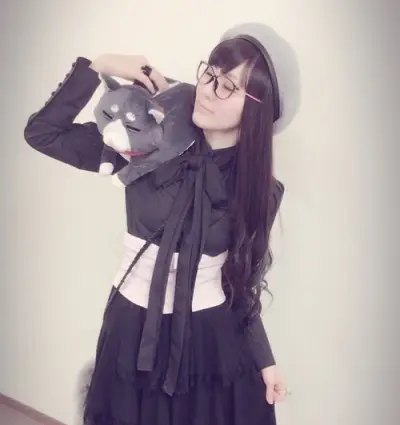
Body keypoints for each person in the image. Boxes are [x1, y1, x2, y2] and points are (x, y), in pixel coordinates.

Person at [23, 22, 300, 425]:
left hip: (211, 342)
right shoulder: (145, 140)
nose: (208, 89)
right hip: (132, 330)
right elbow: (43, 133)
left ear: (257, 109)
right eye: (209, 74)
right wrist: (98, 66)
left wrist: (266, 361)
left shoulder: (261, 190)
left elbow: (240, 286)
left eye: (228, 86)